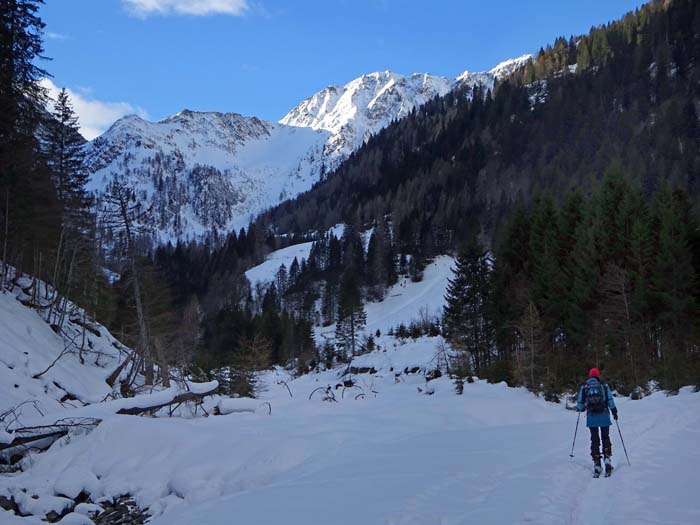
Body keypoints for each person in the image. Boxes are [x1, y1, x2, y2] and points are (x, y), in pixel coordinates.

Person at [576, 368, 618, 476]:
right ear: (598, 375)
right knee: (605, 437)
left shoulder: (585, 386)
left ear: (590, 376)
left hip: (592, 417)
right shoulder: (604, 385)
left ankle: (597, 464)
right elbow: (610, 400)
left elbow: (580, 404)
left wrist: (580, 408)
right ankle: (607, 459)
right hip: (604, 415)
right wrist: (614, 411)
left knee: (594, 439)